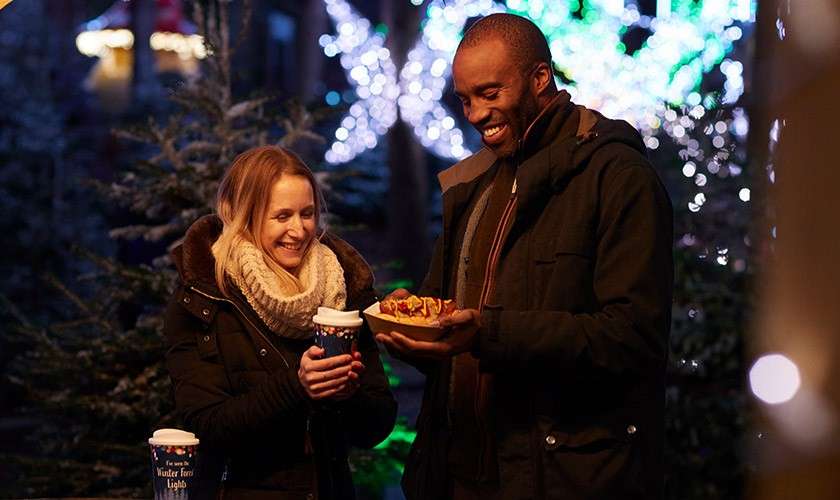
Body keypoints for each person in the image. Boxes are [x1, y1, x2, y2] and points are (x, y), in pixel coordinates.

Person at [375, 13, 673, 500]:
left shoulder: (617, 177)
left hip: (559, 479)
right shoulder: (473, 185)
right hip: (457, 476)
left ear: (540, 79)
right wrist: (413, 329)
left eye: (490, 94)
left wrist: (488, 334)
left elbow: (633, 339)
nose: (474, 114)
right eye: (465, 99)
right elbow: (446, 312)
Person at [164, 145, 397, 499]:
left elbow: (376, 427)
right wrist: (298, 385)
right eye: (281, 216)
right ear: (244, 216)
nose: (300, 230)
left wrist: (347, 395)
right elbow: (206, 426)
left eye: (307, 213)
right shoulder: (204, 299)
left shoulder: (343, 292)